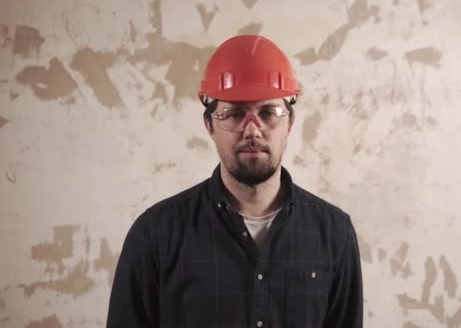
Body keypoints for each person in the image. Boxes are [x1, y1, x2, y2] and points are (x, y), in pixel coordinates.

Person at [107, 35, 363, 328]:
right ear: (209, 124)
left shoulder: (334, 233)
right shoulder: (155, 234)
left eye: (269, 113)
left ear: (290, 122)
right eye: (234, 113)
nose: (252, 130)